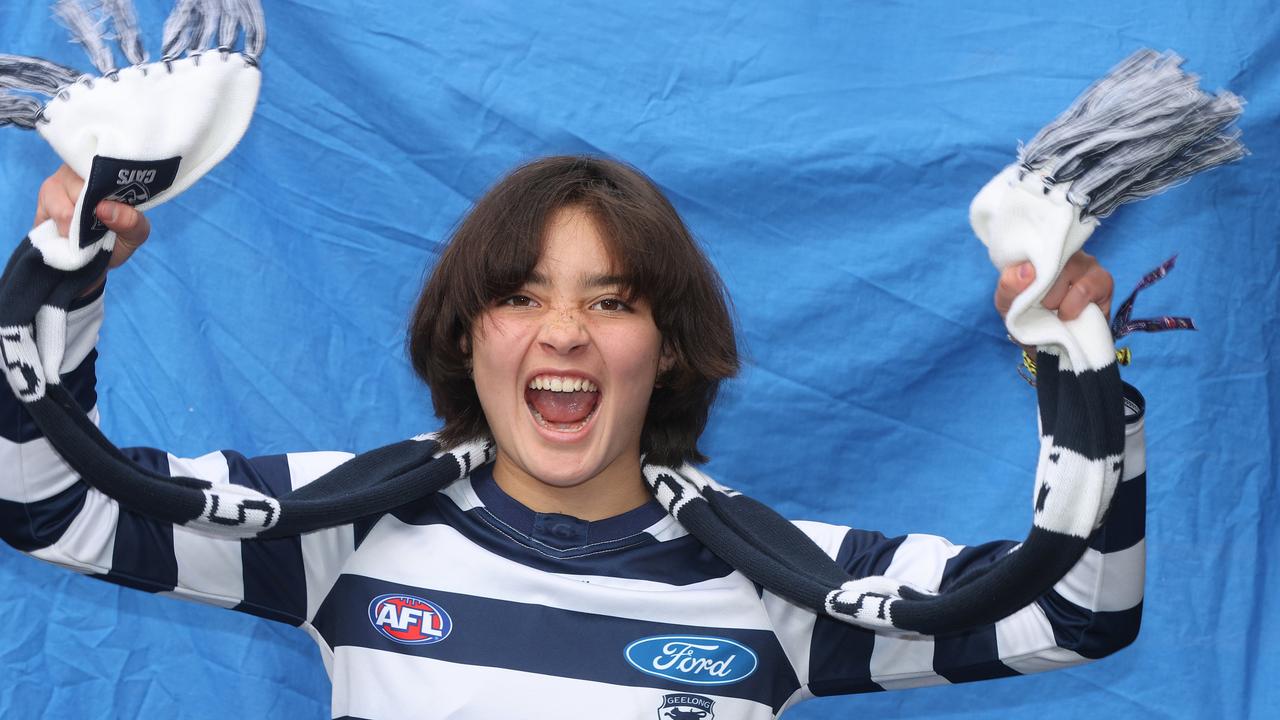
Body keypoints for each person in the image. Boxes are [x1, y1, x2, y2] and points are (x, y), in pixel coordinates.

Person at [3, 156, 1144, 718]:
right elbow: (52, 505)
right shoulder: (342, 522)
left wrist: (1075, 367)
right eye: (521, 298)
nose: (563, 334)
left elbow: (1074, 610)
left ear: (670, 347)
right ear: (466, 337)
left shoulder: (783, 578)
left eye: (610, 302)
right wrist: (59, 280)